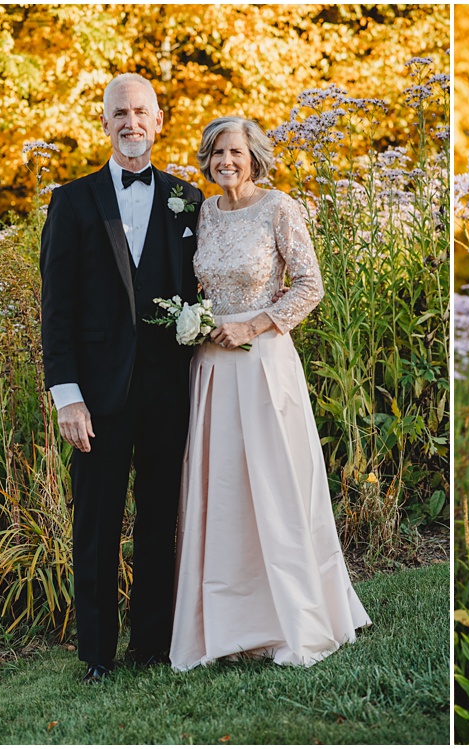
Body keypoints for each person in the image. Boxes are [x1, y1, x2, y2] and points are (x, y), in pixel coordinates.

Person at [169, 116, 370, 670]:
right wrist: (200, 320)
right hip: (211, 370)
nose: (225, 162)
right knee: (223, 493)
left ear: (254, 156)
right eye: (215, 153)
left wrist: (252, 326)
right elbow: (198, 284)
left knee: (275, 488)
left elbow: (311, 286)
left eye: (234, 151)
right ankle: (226, 624)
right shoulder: (204, 213)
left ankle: (293, 619)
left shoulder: (280, 207)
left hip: (262, 365)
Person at [40, 73, 204, 682]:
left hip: (168, 390)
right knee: (97, 522)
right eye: (119, 113)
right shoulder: (73, 201)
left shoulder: (189, 199)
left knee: (160, 517)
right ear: (104, 123)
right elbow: (54, 310)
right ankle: (97, 655)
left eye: (141, 112)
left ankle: (152, 644)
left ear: (159, 120)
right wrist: (67, 396)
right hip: (97, 397)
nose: (130, 122)